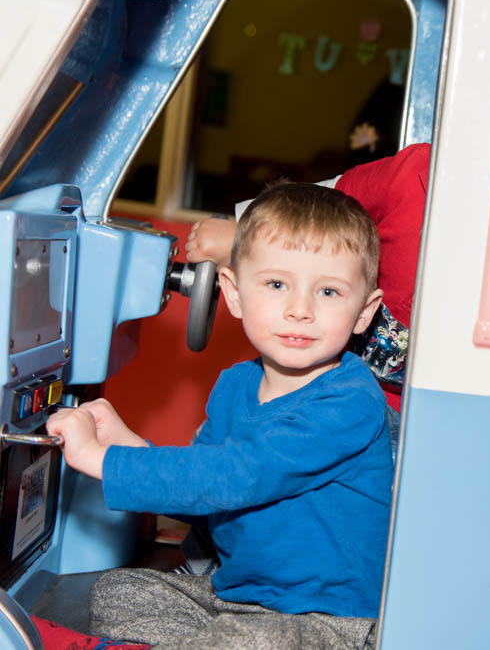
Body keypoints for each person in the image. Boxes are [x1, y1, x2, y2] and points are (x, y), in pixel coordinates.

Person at [185, 34, 490, 395]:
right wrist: (243, 230)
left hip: (418, 412)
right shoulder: (419, 172)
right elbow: (326, 201)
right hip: (323, 377)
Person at [47, 182, 392, 649]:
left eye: (328, 291)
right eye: (276, 285)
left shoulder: (350, 402)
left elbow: (235, 476)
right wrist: (125, 445)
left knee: (242, 640)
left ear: (364, 313)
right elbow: (206, 495)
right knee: (120, 591)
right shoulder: (234, 385)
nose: (300, 310)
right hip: (237, 601)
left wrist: (102, 460)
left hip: (331, 621)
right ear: (233, 293)